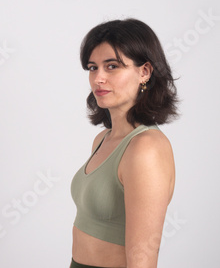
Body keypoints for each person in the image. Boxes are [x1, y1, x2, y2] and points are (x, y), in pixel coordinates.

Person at [70, 19, 178, 268]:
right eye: (92, 67)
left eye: (112, 66)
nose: (98, 78)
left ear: (144, 72)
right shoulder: (102, 139)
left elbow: (143, 259)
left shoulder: (146, 148)